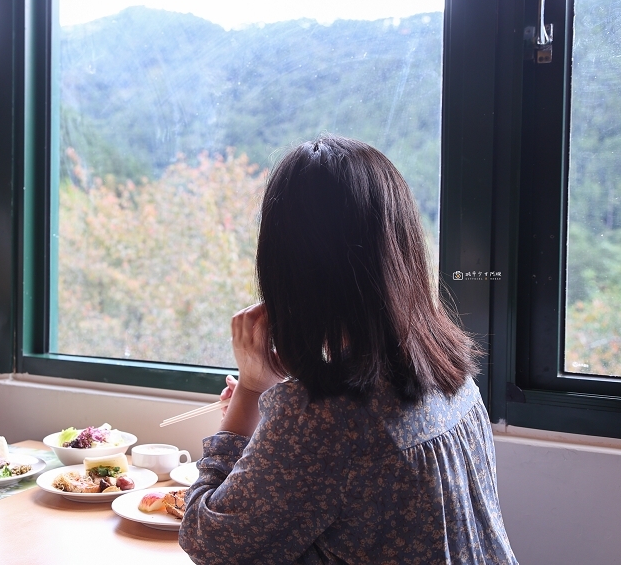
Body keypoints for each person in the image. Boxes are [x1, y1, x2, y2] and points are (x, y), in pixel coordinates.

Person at [178, 135, 517, 564]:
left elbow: (208, 541)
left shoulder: (327, 415)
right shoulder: (448, 367)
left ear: (288, 268)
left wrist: (249, 389)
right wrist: (271, 418)